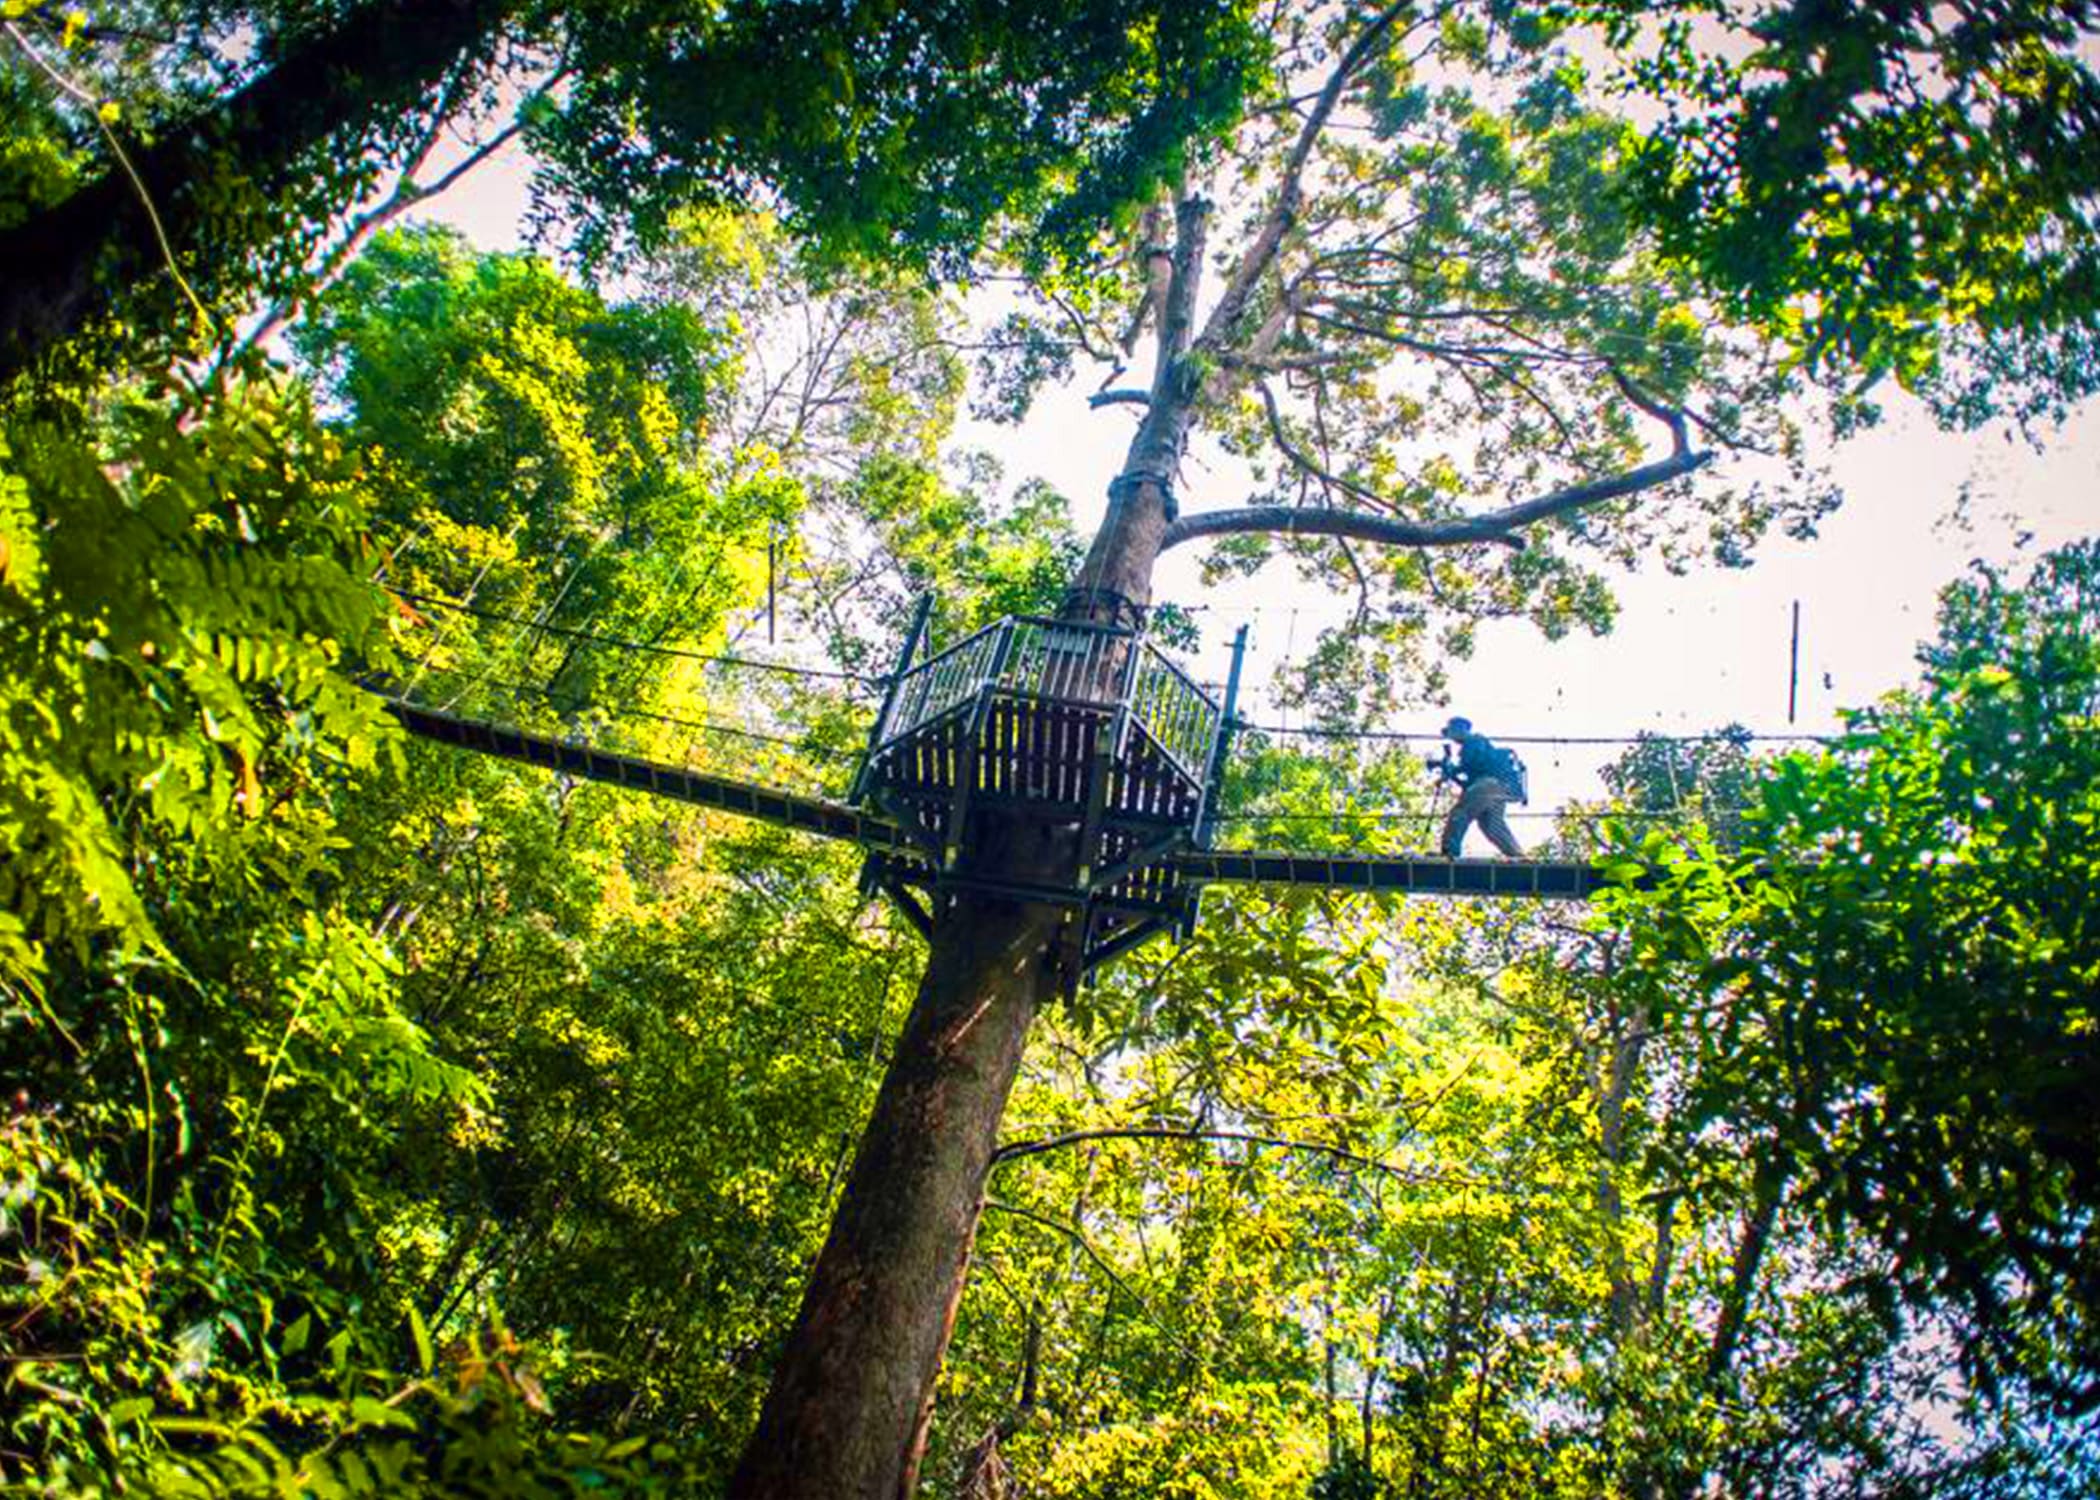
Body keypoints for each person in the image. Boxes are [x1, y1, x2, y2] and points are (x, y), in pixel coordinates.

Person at [1430, 716, 1524, 858]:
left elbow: (1474, 766)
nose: (1450, 736)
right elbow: (1469, 780)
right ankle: (1517, 855)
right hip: (1497, 787)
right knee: (1491, 825)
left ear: (1461, 728)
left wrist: (1452, 771)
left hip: (1488, 784)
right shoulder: (1472, 745)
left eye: (1452, 731)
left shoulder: (1475, 741)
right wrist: (1451, 774)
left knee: (1460, 813)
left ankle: (1449, 852)